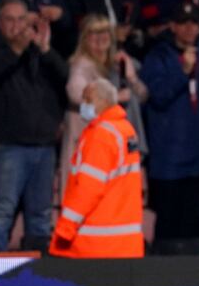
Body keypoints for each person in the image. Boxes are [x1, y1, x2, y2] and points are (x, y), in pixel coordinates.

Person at [140, 2, 199, 253]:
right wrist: (182, 72)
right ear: (173, 26)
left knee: (196, 223)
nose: (189, 29)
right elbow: (157, 96)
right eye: (183, 23)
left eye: (194, 23)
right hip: (169, 157)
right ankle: (165, 275)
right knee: (169, 224)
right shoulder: (158, 56)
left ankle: (194, 278)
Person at [0, 0, 68, 252]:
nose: (17, 25)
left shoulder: (37, 51)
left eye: (22, 19)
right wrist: (16, 50)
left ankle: (35, 277)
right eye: (10, 19)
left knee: (40, 216)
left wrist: (46, 50)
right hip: (6, 146)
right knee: (2, 213)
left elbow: (65, 79)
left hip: (43, 146)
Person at [49, 78, 144, 258]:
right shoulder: (125, 130)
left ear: (100, 101)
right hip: (125, 243)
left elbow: (88, 188)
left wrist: (65, 229)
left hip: (97, 245)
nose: (83, 104)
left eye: (87, 99)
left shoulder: (101, 135)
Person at [60, 14, 148, 200]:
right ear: (85, 38)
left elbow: (143, 96)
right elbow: (75, 93)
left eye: (105, 33)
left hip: (113, 146)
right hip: (86, 144)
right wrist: (115, 97)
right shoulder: (81, 65)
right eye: (94, 34)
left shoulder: (116, 65)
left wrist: (131, 76)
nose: (100, 39)